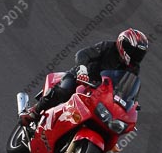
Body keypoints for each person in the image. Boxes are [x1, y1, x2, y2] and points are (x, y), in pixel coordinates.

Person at [20, 28, 149, 126]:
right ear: (123, 44)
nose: (136, 56)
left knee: (108, 120)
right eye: (134, 52)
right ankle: (34, 112)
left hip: (100, 93)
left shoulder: (134, 68)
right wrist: (82, 69)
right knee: (65, 89)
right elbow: (83, 54)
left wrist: (132, 102)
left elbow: (128, 87)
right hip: (82, 78)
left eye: (139, 54)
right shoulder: (108, 47)